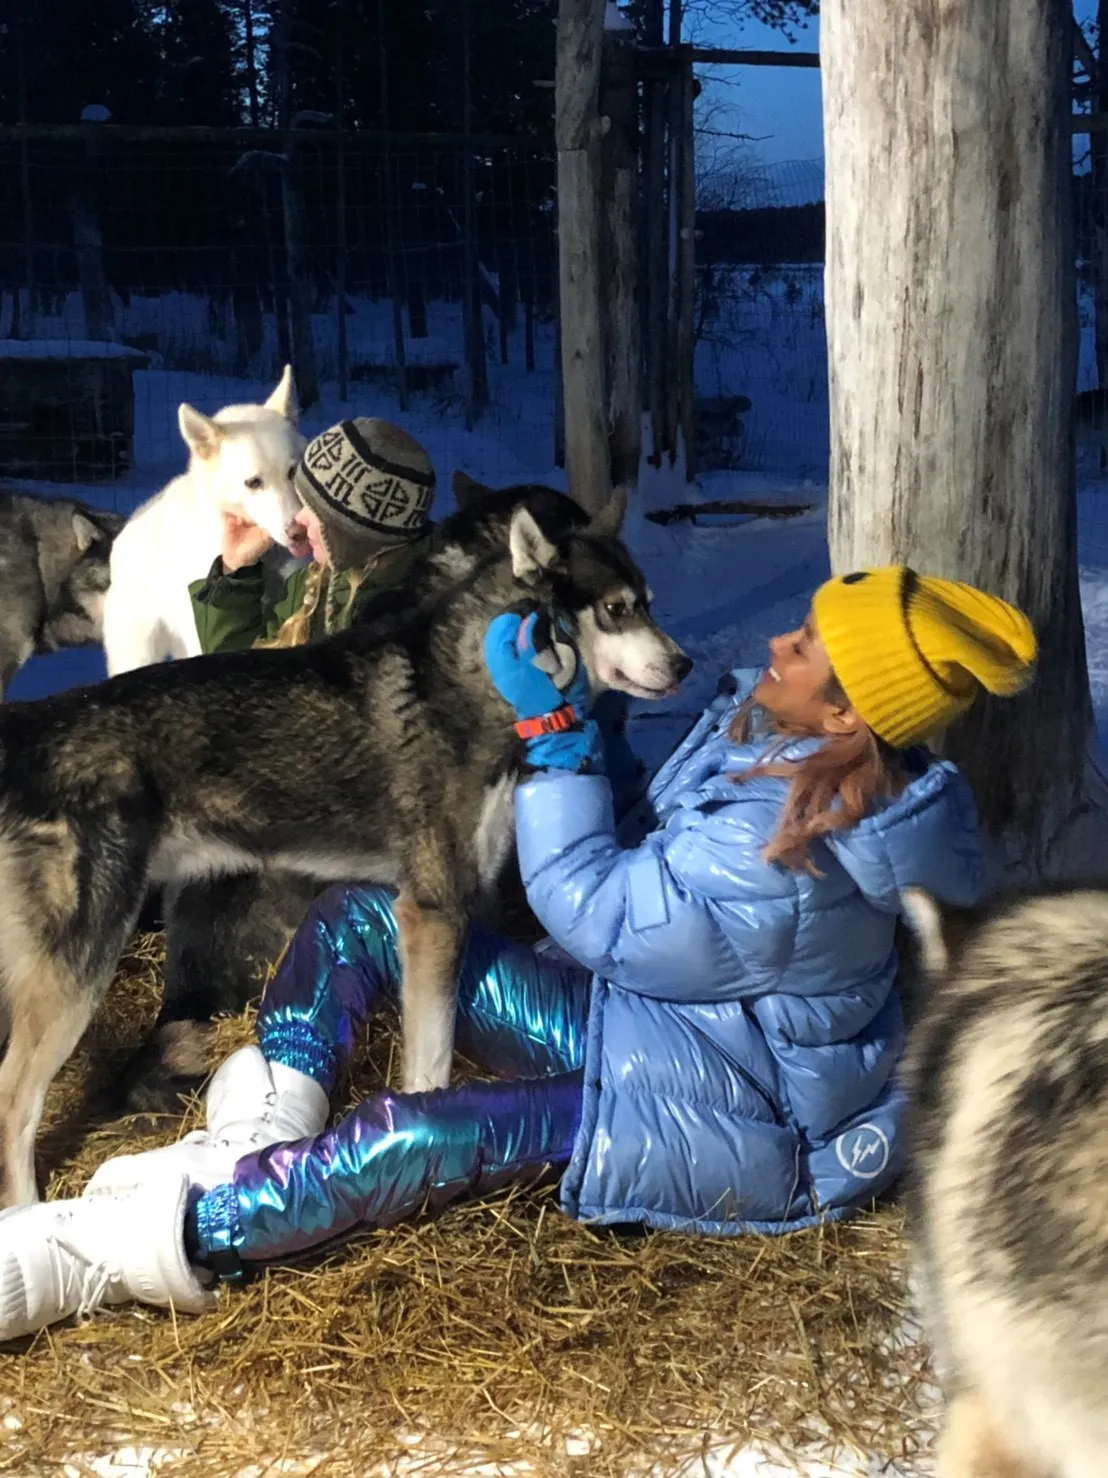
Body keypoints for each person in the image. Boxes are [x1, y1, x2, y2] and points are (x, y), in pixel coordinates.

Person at [0, 566, 1037, 1337]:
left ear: (848, 710)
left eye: (805, 646)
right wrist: (593, 744)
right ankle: (270, 1118)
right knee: (367, 914)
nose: (775, 642)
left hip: (717, 1115)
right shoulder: (784, 750)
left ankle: (122, 1249)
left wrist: (556, 738)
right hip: (652, 1024)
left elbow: (599, 913)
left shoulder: (797, 852)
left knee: (415, 1135)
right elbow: (646, 876)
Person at [191, 415, 438, 655]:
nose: (299, 517)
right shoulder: (314, 588)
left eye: (315, 507)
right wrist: (235, 572)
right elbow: (244, 677)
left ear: (353, 524)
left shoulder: (432, 611)